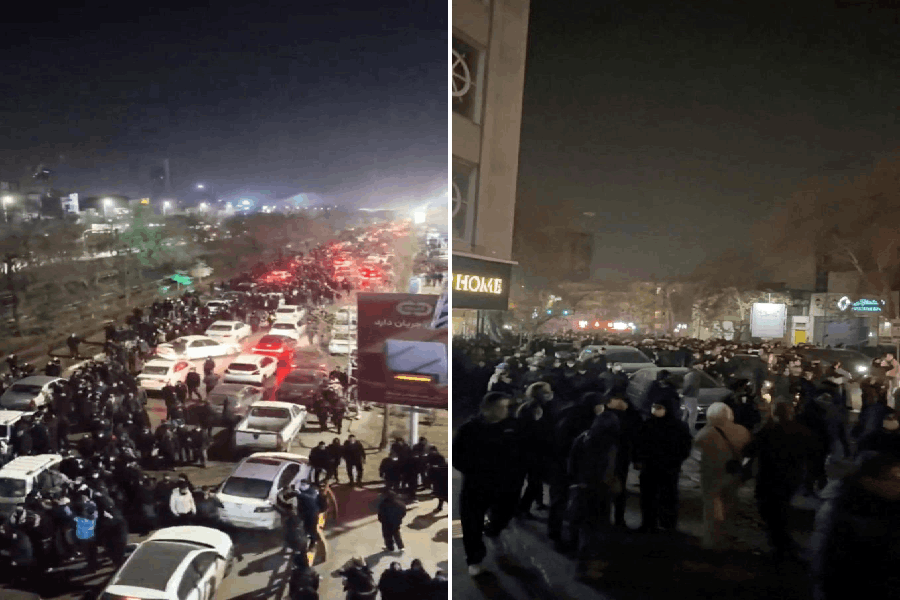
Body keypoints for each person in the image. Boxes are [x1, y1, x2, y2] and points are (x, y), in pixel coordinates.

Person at [453, 392, 532, 576]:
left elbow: (524, 453)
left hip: (507, 484)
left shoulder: (513, 427)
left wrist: (519, 473)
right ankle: (474, 559)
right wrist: (475, 470)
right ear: (487, 409)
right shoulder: (469, 429)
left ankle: (493, 530)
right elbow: (458, 457)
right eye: (501, 407)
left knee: (506, 513)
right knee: (472, 522)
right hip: (476, 484)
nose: (506, 410)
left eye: (507, 406)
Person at [809, 452, 900, 600]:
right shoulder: (843, 510)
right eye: (893, 479)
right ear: (870, 480)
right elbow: (824, 556)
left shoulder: (888, 506)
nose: (897, 484)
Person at [743, 402, 815, 564]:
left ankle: (780, 548)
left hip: (770, 477)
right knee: (781, 508)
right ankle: (783, 544)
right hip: (792, 477)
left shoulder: (769, 431)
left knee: (771, 512)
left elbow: (749, 449)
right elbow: (812, 451)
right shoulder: (801, 430)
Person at [566, 410, 621, 580]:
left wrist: (575, 481)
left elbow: (571, 462)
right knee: (595, 529)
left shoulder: (583, 437)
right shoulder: (610, 443)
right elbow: (609, 468)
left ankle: (582, 564)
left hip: (582, 488)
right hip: (599, 490)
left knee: (583, 527)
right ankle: (588, 567)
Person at [693, 402, 752, 550]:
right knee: (730, 504)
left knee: (712, 506)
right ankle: (728, 534)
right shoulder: (742, 431)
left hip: (711, 475)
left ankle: (712, 539)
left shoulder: (705, 434)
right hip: (733, 474)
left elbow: (696, 454)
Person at [634, 394, 693, 534]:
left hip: (669, 468)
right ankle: (649, 523)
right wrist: (638, 459)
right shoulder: (647, 424)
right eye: (654, 407)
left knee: (668, 497)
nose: (656, 410)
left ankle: (668, 523)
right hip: (650, 467)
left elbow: (685, 447)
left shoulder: (679, 426)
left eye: (659, 407)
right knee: (648, 497)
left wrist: (676, 460)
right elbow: (638, 444)